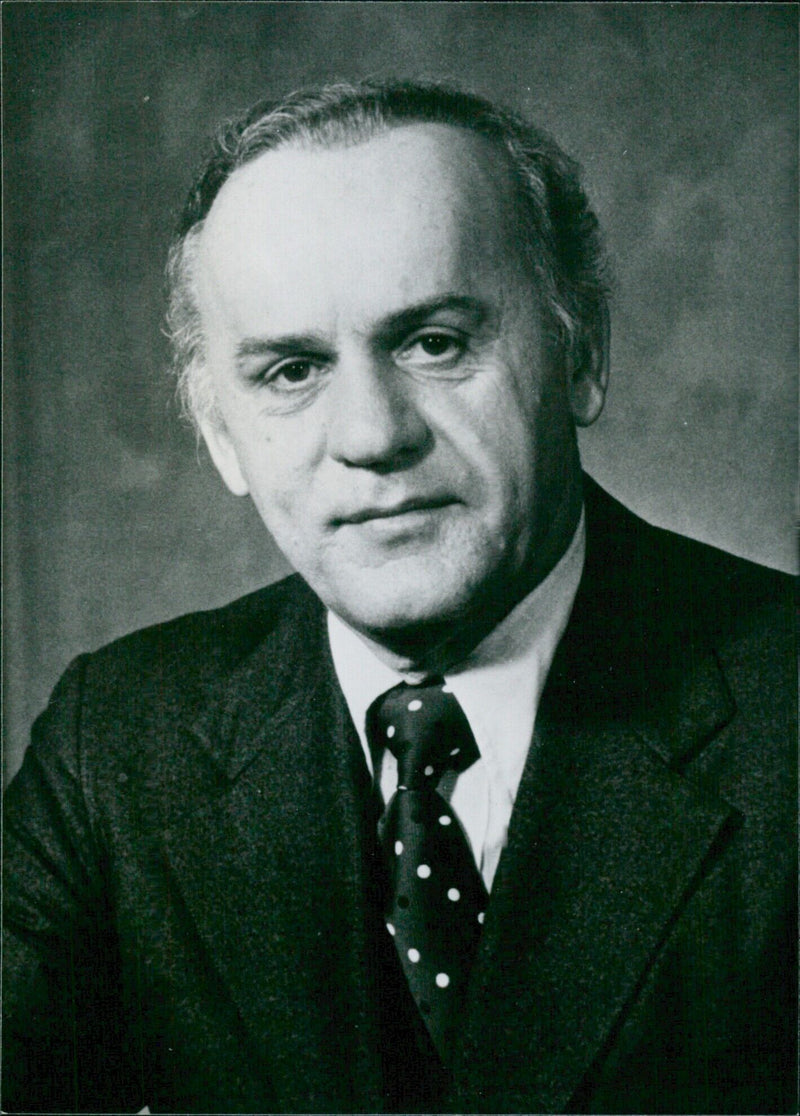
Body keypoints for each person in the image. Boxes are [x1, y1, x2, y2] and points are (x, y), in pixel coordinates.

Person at [3, 80, 795, 1115]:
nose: (371, 435)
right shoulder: (115, 744)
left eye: (433, 342)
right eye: (290, 370)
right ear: (219, 434)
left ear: (581, 351)